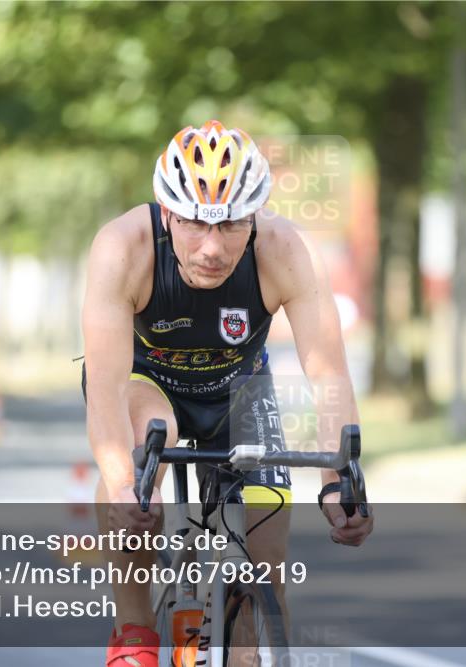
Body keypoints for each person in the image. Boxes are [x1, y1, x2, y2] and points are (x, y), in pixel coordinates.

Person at [81, 120, 373, 667]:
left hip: (240, 388)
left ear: (255, 218)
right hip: (148, 383)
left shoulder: (286, 250)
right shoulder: (123, 248)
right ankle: (134, 631)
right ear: (167, 213)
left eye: (232, 225)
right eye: (194, 223)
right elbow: (106, 391)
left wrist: (340, 483)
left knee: (267, 567)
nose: (212, 247)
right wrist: (123, 485)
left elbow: (329, 375)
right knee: (149, 446)